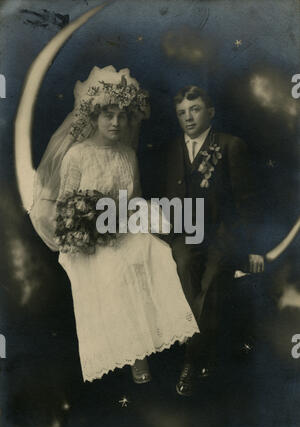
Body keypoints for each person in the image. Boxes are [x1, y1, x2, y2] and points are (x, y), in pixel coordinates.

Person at [29, 66, 199, 384]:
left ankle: (171, 334)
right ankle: (137, 355)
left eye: (122, 116)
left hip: (122, 227)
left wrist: (136, 221)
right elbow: (66, 206)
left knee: (158, 253)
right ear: (94, 118)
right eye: (108, 115)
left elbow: (134, 198)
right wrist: (89, 228)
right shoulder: (77, 156)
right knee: (116, 270)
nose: (116, 123)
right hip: (87, 239)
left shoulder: (126, 155)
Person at [159, 85, 264, 396]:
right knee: (183, 265)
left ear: (211, 112)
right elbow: (168, 198)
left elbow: (247, 200)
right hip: (186, 232)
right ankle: (206, 350)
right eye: (181, 113)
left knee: (212, 280)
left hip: (223, 234)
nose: (188, 117)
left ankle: (192, 359)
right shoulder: (172, 149)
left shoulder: (231, 145)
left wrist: (253, 248)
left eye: (195, 109)